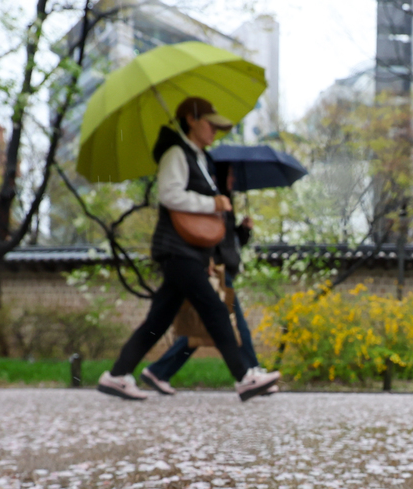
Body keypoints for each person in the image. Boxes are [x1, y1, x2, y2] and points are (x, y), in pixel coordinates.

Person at [97, 97, 282, 402]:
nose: (214, 132)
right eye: (210, 124)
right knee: (215, 310)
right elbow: (169, 195)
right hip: (177, 250)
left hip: (190, 253)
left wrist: (208, 254)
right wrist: (212, 202)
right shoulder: (176, 154)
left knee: (158, 320)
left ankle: (117, 375)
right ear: (191, 119)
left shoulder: (198, 157)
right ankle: (244, 376)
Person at [139, 165, 264, 395]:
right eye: (232, 173)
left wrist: (243, 231)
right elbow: (204, 233)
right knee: (235, 323)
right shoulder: (211, 199)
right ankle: (252, 371)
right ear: (224, 173)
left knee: (201, 329)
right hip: (214, 269)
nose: (235, 177)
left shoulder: (226, 201)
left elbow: (227, 240)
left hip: (221, 266)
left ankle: (158, 371)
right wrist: (205, 259)